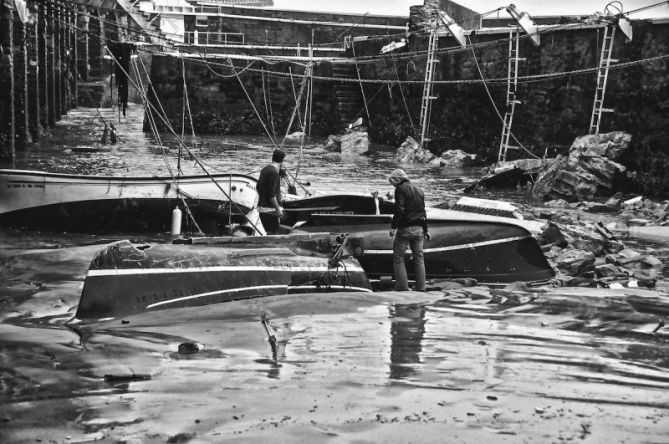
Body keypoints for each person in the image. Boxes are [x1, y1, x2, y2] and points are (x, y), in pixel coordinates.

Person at [388, 168, 430, 291]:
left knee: (398, 258)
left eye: (392, 181)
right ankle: (421, 287)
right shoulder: (419, 189)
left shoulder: (400, 189)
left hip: (405, 229)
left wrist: (393, 227)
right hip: (419, 229)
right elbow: (423, 212)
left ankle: (402, 287)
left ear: (397, 179)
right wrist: (426, 230)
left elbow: (400, 210)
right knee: (419, 258)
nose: (392, 184)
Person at [257, 149, 286, 235]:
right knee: (274, 235)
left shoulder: (264, 170)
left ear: (272, 158)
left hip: (262, 209)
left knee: (269, 234)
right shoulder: (274, 172)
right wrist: (277, 209)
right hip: (270, 210)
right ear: (282, 160)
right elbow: (272, 194)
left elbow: (258, 187)